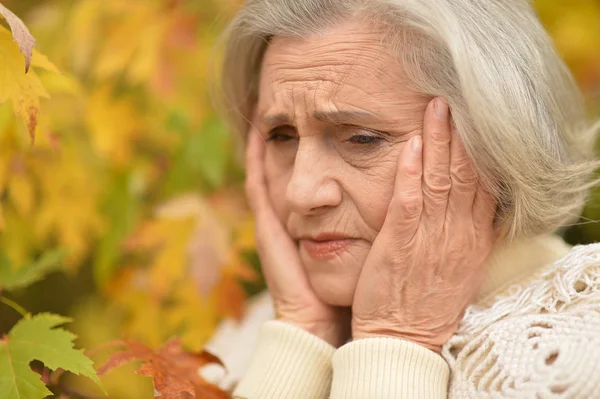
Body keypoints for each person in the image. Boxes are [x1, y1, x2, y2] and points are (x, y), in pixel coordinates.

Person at [203, 0, 600, 397]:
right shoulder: (240, 340)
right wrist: (300, 336)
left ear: (495, 140)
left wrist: (394, 338)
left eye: (361, 138)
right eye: (282, 136)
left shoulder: (578, 350)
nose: (301, 193)